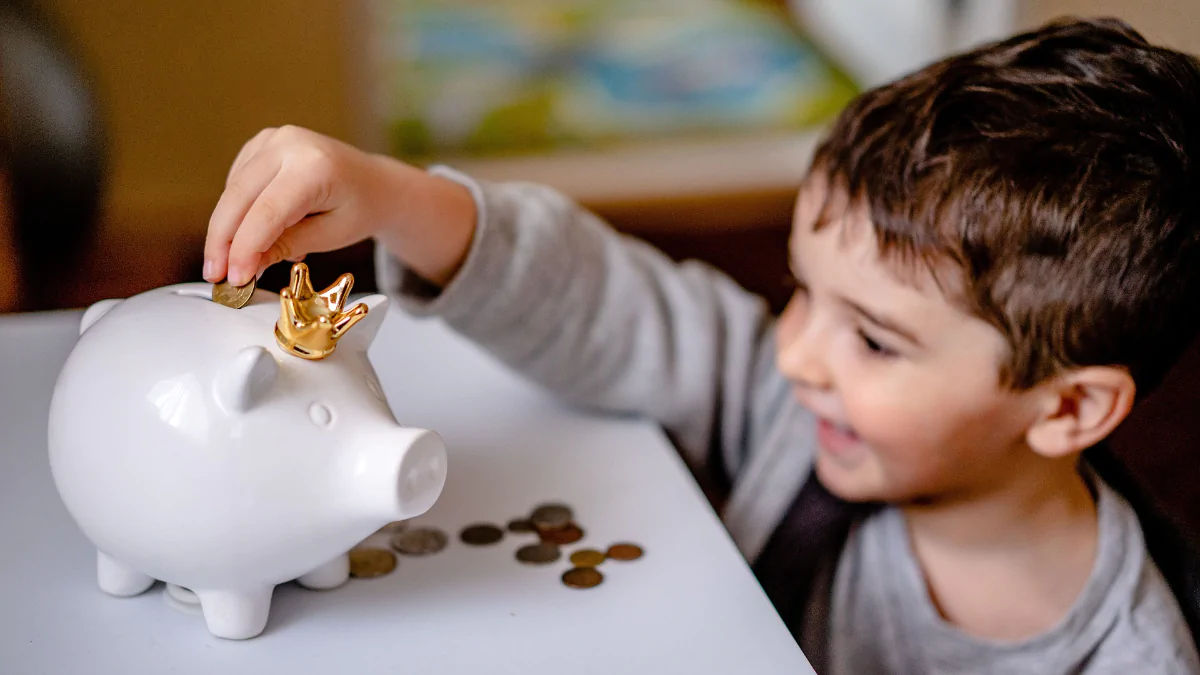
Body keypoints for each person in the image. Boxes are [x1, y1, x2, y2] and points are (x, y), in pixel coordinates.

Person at [202, 18, 1200, 673]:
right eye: (802, 290)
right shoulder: (790, 407)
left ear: (1068, 408)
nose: (797, 352)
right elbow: (606, 300)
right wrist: (392, 198)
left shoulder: (1135, 655)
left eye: (875, 342)